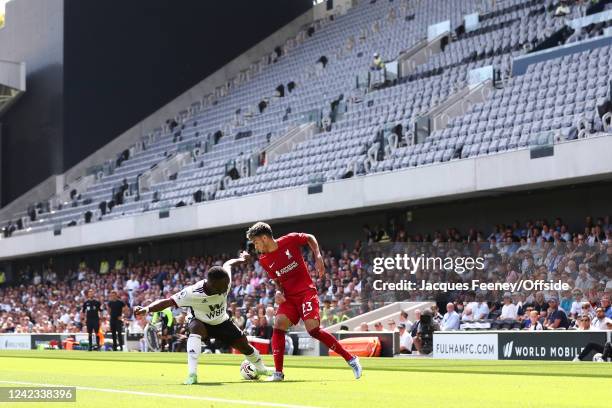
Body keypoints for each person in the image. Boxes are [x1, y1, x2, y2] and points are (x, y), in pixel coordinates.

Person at [246, 222, 362, 381]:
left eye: (256, 242)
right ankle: (278, 373)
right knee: (278, 324)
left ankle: (351, 359)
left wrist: (318, 255)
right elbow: (277, 281)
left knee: (313, 330)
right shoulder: (264, 260)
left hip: (306, 292)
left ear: (265, 238)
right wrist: (279, 291)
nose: (255, 246)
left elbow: (309, 238)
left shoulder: (289, 240)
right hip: (289, 297)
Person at [134, 252, 271, 385]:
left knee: (244, 345)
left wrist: (241, 259)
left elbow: (227, 264)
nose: (225, 289)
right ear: (211, 284)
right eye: (222, 286)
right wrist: (147, 309)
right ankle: (192, 375)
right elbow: (168, 302)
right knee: (195, 327)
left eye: (226, 284)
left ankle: (261, 369)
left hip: (222, 321)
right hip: (201, 322)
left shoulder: (225, 281)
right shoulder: (192, 292)